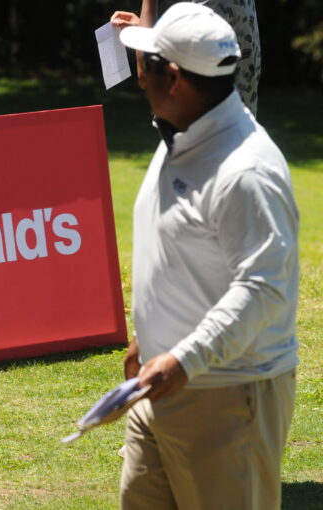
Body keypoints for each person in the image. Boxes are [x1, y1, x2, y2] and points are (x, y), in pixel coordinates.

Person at [112, 3, 299, 509]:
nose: (139, 76)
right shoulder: (179, 131)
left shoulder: (246, 171)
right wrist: (150, 334)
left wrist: (181, 360)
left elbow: (264, 290)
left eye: (147, 64)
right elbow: (183, 256)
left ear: (173, 78)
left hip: (229, 397)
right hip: (161, 387)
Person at [118, 0, 261, 114]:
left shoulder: (202, 9)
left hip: (193, 128)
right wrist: (148, 30)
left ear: (174, 76)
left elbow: (147, 75)